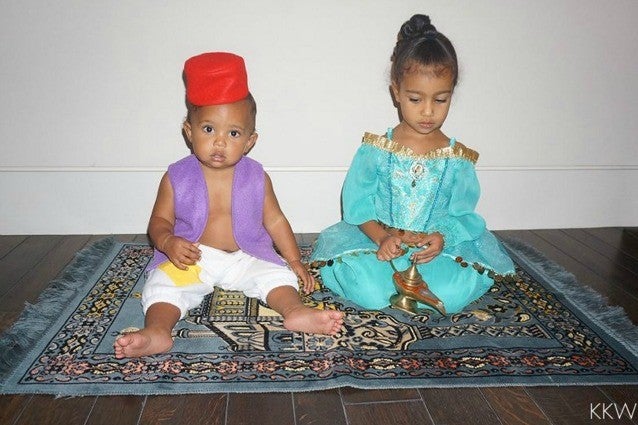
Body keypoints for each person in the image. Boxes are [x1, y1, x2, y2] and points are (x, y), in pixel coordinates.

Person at [115, 52, 343, 359]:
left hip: (246, 255)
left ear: (250, 141)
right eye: (209, 129)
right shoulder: (176, 176)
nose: (220, 142)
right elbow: (159, 221)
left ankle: (295, 311)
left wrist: (294, 260)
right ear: (189, 131)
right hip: (193, 257)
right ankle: (158, 331)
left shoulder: (257, 177)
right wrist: (168, 242)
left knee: (277, 276)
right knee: (163, 285)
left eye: (233, 133)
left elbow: (275, 220)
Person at [310, 15, 516, 315]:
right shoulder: (376, 151)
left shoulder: (458, 159)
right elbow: (357, 205)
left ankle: (421, 288)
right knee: (368, 289)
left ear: (451, 94)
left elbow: (464, 214)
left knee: (451, 293)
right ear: (397, 92)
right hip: (378, 243)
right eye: (416, 99)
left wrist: (442, 238)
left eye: (440, 100)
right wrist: (382, 237)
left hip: (434, 253)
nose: (428, 112)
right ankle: (391, 285)